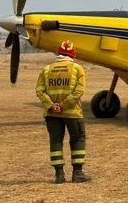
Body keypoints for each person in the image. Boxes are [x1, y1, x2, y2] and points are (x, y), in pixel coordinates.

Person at [36, 40, 90, 183]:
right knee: (78, 138)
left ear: (58, 53)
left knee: (55, 142)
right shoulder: (78, 69)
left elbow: (39, 91)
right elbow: (79, 91)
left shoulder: (46, 70)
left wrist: (52, 105)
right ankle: (77, 173)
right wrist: (64, 105)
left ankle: (59, 175)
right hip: (72, 113)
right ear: (73, 54)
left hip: (51, 113)